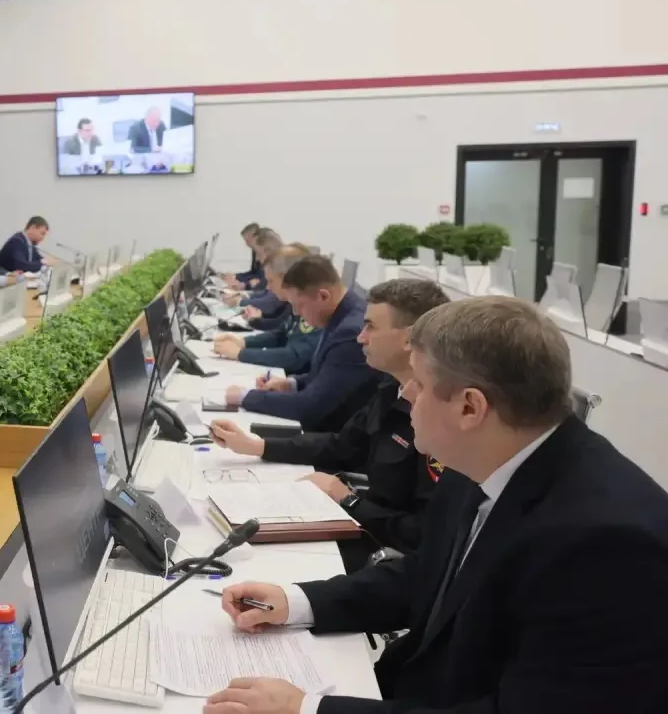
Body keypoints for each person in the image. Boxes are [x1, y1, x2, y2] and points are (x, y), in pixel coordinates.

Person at [208, 296, 668, 714]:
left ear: (470, 408)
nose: (405, 394)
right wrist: (300, 602)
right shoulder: (485, 458)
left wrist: (307, 710)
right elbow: (430, 574)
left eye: (420, 384)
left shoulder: (608, 543)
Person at [212, 279, 450, 566]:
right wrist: (257, 446)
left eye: (371, 327)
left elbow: (423, 535)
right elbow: (341, 446)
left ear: (409, 339)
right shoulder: (392, 388)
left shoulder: (442, 422)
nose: (361, 338)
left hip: (384, 554)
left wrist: (348, 500)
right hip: (365, 527)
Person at [226, 255, 381, 432]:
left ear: (323, 296)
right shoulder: (341, 314)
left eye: (299, 306)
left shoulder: (350, 332)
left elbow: (310, 407)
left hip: (332, 436)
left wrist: (245, 397)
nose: (296, 313)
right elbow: (330, 375)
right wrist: (292, 383)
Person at [213, 244, 319, 374]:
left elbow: (294, 356)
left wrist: (240, 354)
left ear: (287, 278)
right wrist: (243, 342)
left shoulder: (314, 308)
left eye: (271, 281)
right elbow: (280, 335)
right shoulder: (297, 303)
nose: (268, 287)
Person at [224, 223, 262, 289]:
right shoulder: (254, 250)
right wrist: (235, 276)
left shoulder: (264, 252)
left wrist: (245, 285)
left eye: (247, 240)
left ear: (255, 237)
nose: (246, 244)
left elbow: (261, 278)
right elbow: (253, 273)